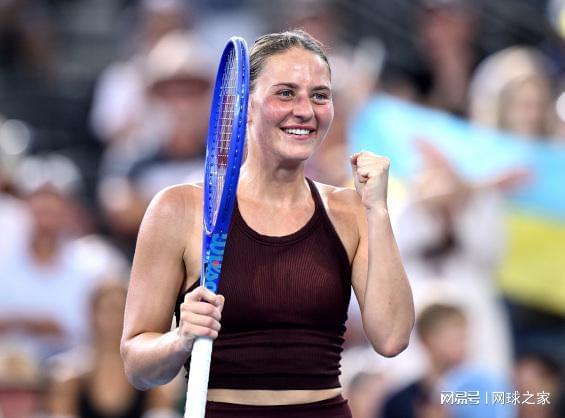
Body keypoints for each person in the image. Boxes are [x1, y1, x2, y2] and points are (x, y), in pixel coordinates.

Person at [121, 29, 415, 417]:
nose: (305, 110)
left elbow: (392, 339)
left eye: (320, 96)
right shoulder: (177, 209)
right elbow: (137, 366)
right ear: (244, 106)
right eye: (286, 93)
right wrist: (180, 339)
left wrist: (378, 210)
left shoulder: (351, 211)